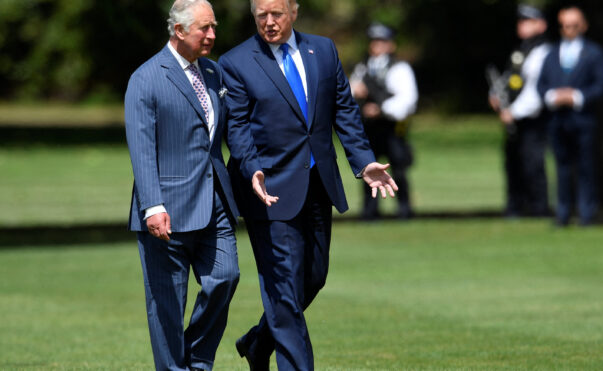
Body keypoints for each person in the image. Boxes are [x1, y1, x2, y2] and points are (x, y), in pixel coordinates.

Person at [218, 0, 398, 369]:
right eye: (261, 15)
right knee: (283, 288)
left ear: (294, 11)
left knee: (312, 278)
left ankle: (257, 342)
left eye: (277, 14)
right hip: (267, 189)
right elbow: (236, 126)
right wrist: (251, 167)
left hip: (318, 185)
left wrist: (363, 162)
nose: (269, 22)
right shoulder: (234, 63)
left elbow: (344, 110)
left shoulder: (323, 50)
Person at [124, 1, 240, 369]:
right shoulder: (146, 77)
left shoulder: (213, 72)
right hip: (166, 210)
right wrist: (152, 206)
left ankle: (197, 361)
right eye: (204, 28)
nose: (212, 35)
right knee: (167, 306)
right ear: (178, 31)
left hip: (216, 203)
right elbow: (141, 147)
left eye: (214, 27)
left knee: (226, 277)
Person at [537, 6, 603, 226]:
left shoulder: (594, 53)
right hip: (558, 120)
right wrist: (552, 96)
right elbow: (541, 85)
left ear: (583, 26)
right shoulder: (551, 53)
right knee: (562, 167)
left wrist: (577, 97)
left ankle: (586, 213)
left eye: (574, 25)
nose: (570, 29)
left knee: (586, 167)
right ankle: (562, 213)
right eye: (565, 25)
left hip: (583, 119)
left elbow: (602, 84)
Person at [349, 22, 418, 220]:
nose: (377, 46)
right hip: (369, 128)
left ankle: (404, 210)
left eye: (381, 41)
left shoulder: (399, 68)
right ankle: (370, 211)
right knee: (368, 168)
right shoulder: (363, 67)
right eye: (374, 41)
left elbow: (407, 99)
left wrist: (380, 109)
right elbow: (349, 91)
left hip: (392, 128)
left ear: (390, 45)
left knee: (399, 168)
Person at [488, 5, 551, 217]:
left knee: (533, 163)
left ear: (541, 25)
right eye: (521, 21)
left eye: (528, 21)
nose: (522, 26)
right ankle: (515, 206)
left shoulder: (543, 52)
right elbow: (508, 78)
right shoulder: (521, 50)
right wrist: (496, 95)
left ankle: (538, 208)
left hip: (532, 119)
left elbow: (536, 90)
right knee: (512, 162)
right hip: (513, 119)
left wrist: (513, 112)